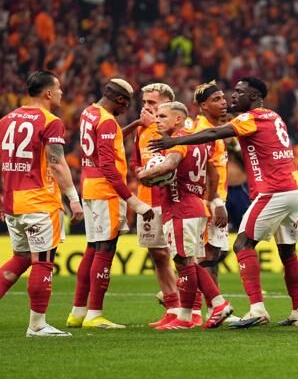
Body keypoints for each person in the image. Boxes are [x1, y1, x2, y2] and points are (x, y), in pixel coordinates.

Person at [149, 76, 298, 326]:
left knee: (240, 245)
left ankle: (253, 309)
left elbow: (213, 137)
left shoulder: (248, 119)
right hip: (295, 187)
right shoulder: (274, 116)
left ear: (253, 96)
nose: (231, 98)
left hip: (273, 190)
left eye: (238, 93)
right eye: (222, 96)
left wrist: (176, 141)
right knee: (287, 251)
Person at [0, 70, 84, 336]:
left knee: (22, 257)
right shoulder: (51, 121)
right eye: (58, 89)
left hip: (12, 202)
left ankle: (37, 324)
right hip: (39, 202)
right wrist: (74, 199)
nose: (61, 93)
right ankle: (37, 325)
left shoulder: (6, 120)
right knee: (43, 261)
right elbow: (57, 163)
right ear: (48, 93)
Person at [67, 78, 155, 329]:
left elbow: (108, 141)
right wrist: (134, 202)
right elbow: (108, 166)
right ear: (119, 99)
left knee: (92, 248)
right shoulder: (106, 120)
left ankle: (77, 312)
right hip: (106, 192)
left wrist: (136, 124)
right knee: (106, 249)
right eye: (125, 104)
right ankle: (95, 314)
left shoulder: (90, 112)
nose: (126, 109)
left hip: (89, 187)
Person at [138, 102, 233, 330]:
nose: (157, 120)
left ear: (178, 119)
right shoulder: (197, 140)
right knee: (188, 261)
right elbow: (212, 172)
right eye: (157, 116)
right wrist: (212, 199)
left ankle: (189, 316)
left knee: (184, 262)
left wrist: (144, 174)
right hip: (195, 206)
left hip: (181, 206)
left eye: (163, 116)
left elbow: (168, 166)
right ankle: (212, 306)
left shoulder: (178, 141)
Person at [129, 83, 181, 328]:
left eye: (152, 102)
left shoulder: (178, 127)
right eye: (145, 102)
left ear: (167, 103)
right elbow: (134, 161)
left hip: (172, 199)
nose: (146, 107)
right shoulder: (142, 129)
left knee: (182, 255)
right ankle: (172, 307)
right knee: (158, 254)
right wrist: (140, 172)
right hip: (147, 200)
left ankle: (189, 307)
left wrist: (153, 125)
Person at [193, 81, 229, 285]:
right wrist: (215, 202)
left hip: (215, 198)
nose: (223, 102)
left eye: (223, 98)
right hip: (209, 200)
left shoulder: (213, 129)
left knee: (215, 253)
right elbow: (206, 170)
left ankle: (211, 301)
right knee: (208, 254)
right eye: (216, 99)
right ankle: (206, 299)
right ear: (203, 106)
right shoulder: (204, 131)